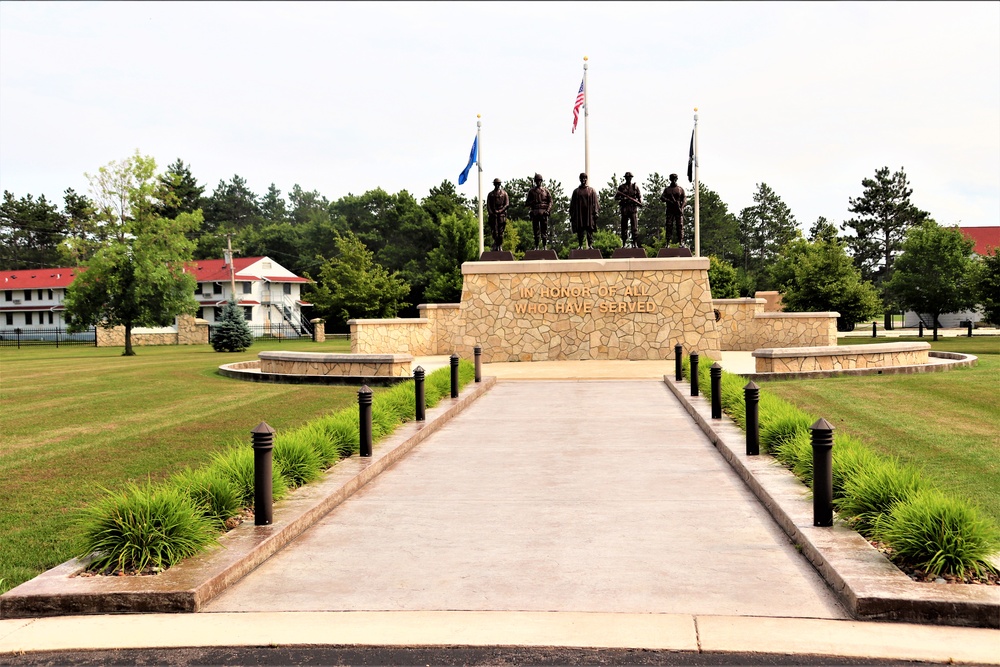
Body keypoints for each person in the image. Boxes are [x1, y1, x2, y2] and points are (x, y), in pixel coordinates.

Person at [569, 172, 599, 249]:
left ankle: (590, 245)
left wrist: (596, 212)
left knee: (589, 230)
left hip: (589, 213)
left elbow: (595, 202)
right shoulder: (576, 191)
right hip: (580, 214)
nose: (583, 180)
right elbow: (572, 204)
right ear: (580, 179)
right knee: (580, 230)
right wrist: (572, 215)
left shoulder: (591, 191)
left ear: (587, 179)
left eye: (585, 178)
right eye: (582, 178)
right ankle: (580, 245)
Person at [615, 171, 643, 247]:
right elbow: (616, 197)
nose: (628, 179)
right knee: (624, 227)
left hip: (633, 208)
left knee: (634, 227)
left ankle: (635, 243)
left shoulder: (635, 187)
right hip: (624, 209)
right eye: (627, 178)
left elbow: (639, 197)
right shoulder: (621, 187)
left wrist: (640, 203)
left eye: (630, 178)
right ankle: (624, 243)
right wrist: (623, 198)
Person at [526, 173, 553, 250]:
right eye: (537, 180)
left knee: (544, 230)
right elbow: (527, 203)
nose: (538, 182)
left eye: (539, 180)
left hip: (543, 212)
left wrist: (548, 210)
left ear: (541, 181)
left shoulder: (546, 191)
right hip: (535, 212)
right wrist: (532, 202)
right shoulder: (531, 191)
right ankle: (537, 246)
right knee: (536, 231)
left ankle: (544, 246)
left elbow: (550, 201)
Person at [660, 173, 686, 245]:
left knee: (680, 226)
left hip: (678, 210)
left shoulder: (680, 189)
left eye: (675, 179)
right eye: (672, 179)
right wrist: (668, 201)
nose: (673, 180)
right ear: (670, 179)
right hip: (670, 210)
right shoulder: (667, 189)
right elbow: (662, 197)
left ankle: (681, 242)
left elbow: (684, 199)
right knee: (669, 226)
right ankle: (667, 242)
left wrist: (682, 207)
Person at [486, 178, 509, 252]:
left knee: (500, 232)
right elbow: (488, 205)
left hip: (501, 215)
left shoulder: (504, 193)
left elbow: (507, 204)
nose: (497, 185)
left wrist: (500, 211)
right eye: (496, 184)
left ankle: (500, 245)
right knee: (494, 231)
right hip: (493, 216)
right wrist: (491, 213)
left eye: (498, 184)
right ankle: (495, 244)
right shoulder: (490, 194)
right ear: (494, 184)